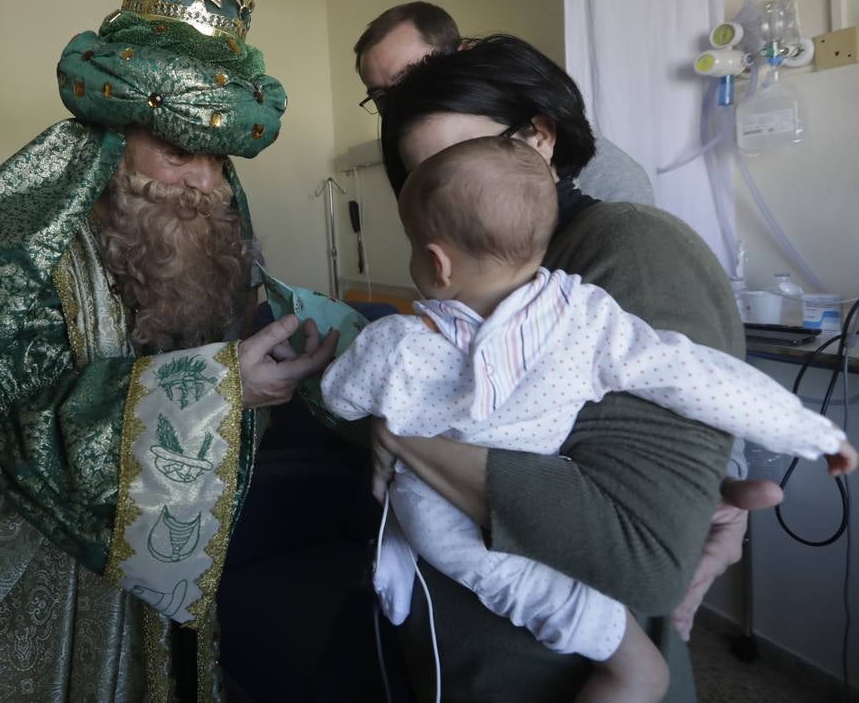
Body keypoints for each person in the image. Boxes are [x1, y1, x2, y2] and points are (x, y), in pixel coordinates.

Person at [0, 0, 338, 701]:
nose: (206, 183)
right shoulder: (25, 258)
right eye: (178, 151)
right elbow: (11, 436)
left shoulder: (202, 238)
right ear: (111, 144)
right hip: (62, 574)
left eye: (217, 159)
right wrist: (221, 392)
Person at [321, 136, 855, 703]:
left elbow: (339, 399)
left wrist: (356, 386)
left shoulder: (399, 345)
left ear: (435, 263)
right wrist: (811, 432)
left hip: (446, 502)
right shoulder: (588, 319)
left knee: (453, 544)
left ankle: (622, 653)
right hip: (549, 472)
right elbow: (696, 376)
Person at [357, 33, 783, 701]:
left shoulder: (629, 247)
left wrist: (409, 435)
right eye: (422, 182)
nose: (452, 196)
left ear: (540, 138)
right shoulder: (489, 277)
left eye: (461, 158)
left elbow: (643, 551)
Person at [353, 1, 656, 206]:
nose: (399, 106)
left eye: (414, 76)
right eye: (382, 97)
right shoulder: (419, 173)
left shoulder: (611, 185)